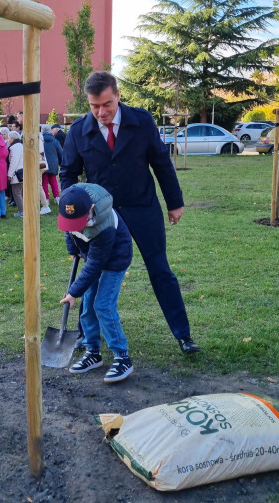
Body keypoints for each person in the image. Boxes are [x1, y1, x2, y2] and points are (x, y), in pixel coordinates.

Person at [60, 70, 200, 356]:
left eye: (107, 104)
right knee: (93, 271)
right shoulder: (78, 131)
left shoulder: (142, 121)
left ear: (118, 96)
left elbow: (161, 162)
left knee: (160, 269)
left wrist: (174, 201)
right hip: (101, 217)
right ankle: (86, 335)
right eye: (94, 106)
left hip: (142, 207)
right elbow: (68, 174)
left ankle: (183, 335)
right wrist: (72, 212)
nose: (101, 112)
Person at [58, 183, 133, 383]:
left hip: (115, 258)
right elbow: (69, 230)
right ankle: (93, 352)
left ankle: (122, 356)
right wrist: (72, 249)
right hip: (92, 255)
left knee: (103, 305)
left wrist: (73, 292)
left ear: (90, 209)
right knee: (88, 305)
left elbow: (96, 264)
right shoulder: (72, 206)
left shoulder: (104, 226)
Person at [41, 123, 63, 205]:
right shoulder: (55, 141)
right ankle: (57, 197)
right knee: (53, 180)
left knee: (44, 182)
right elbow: (61, 152)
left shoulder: (40, 140)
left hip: (43, 163)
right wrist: (61, 162)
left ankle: (46, 199)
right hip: (53, 163)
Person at [7, 130, 24, 217]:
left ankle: (22, 211)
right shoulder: (21, 146)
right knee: (21, 192)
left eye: (9, 138)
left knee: (16, 192)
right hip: (22, 172)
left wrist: (10, 174)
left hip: (17, 173)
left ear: (12, 139)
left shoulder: (14, 148)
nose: (8, 140)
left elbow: (14, 162)